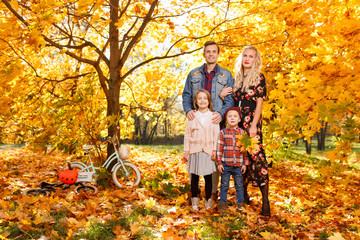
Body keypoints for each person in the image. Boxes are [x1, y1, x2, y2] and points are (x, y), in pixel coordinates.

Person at [220, 45, 270, 216]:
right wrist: (222, 95)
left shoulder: (258, 77)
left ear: (256, 59)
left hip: (251, 122)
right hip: (238, 122)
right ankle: (245, 196)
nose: (248, 59)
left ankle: (266, 202)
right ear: (241, 58)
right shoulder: (238, 79)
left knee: (257, 158)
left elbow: (260, 103)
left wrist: (254, 125)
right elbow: (232, 100)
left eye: (251, 56)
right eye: (245, 56)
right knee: (241, 157)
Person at [182, 40, 234, 199]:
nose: (211, 54)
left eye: (214, 51)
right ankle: (195, 191)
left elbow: (230, 100)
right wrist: (188, 110)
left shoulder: (226, 75)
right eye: (208, 51)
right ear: (204, 54)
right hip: (197, 120)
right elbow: (186, 95)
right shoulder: (194, 74)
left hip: (215, 121)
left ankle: (211, 192)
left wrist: (222, 113)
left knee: (213, 156)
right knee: (195, 153)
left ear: (218, 54)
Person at [183, 89, 220, 211]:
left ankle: (208, 199)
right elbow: (187, 135)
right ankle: (194, 199)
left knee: (208, 177)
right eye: (200, 98)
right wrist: (186, 150)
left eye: (205, 98)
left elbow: (216, 135)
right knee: (194, 177)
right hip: (195, 150)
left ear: (209, 101)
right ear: (196, 102)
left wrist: (214, 150)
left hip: (208, 150)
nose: (202, 101)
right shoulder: (192, 116)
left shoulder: (213, 117)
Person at [217, 107, 249, 213]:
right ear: (226, 120)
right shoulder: (223, 133)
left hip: (238, 165)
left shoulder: (243, 133)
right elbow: (219, 148)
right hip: (226, 164)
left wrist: (245, 163)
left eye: (235, 116)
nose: (232, 118)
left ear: (239, 119)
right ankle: (222, 203)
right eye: (229, 116)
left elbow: (245, 149)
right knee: (224, 185)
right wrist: (219, 163)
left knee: (239, 185)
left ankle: (240, 203)